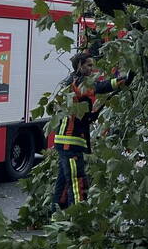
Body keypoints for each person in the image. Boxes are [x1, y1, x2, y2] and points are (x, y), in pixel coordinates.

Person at [53, 49, 134, 210]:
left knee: (63, 182)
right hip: (71, 142)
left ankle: (57, 214)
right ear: (80, 66)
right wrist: (124, 79)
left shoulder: (71, 81)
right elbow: (100, 87)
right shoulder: (79, 83)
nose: (92, 69)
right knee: (77, 181)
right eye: (89, 65)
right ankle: (79, 216)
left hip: (65, 141)